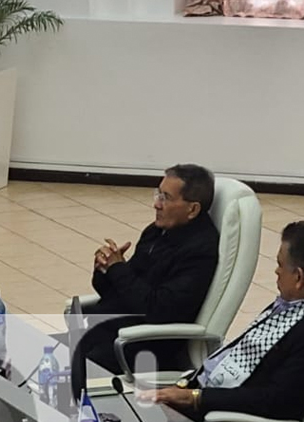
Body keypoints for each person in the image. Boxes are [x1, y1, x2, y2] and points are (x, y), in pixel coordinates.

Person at [143, 221, 304, 422]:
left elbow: (276, 401)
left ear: (298, 277)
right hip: (202, 393)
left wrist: (195, 398)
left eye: (280, 264)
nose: (276, 272)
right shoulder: (301, 302)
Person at [72, 165, 219, 389]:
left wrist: (119, 269)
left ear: (192, 209)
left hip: (143, 344)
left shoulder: (200, 251)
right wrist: (105, 269)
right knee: (44, 352)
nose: (156, 204)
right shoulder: (157, 232)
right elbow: (123, 291)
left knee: (68, 369)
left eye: (166, 198)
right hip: (110, 326)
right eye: (158, 194)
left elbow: (157, 309)